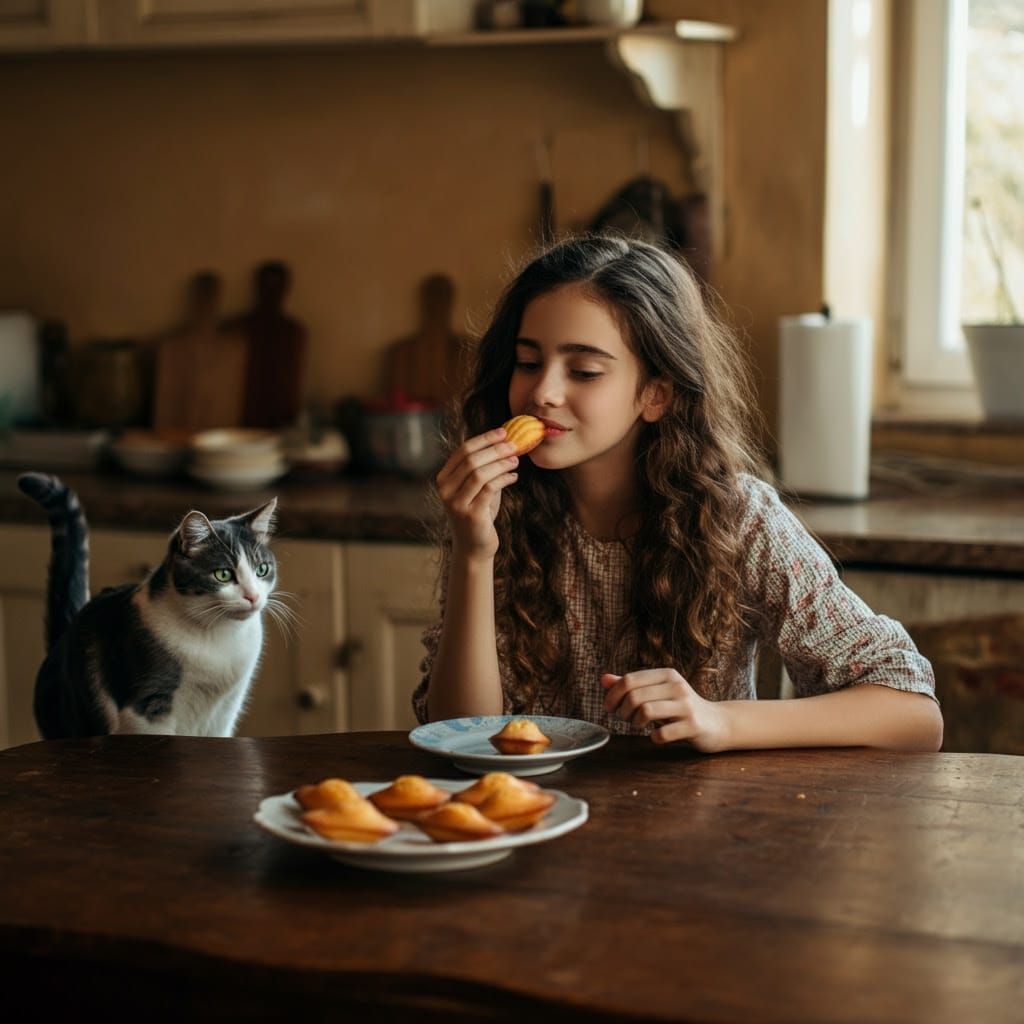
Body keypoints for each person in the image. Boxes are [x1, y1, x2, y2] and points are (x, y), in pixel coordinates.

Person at [412, 235, 942, 752]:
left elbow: (914, 714)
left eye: (585, 370)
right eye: (528, 363)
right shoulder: (500, 510)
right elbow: (459, 735)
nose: (543, 392)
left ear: (655, 394)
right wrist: (475, 554)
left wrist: (722, 721)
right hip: (538, 822)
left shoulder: (738, 519)